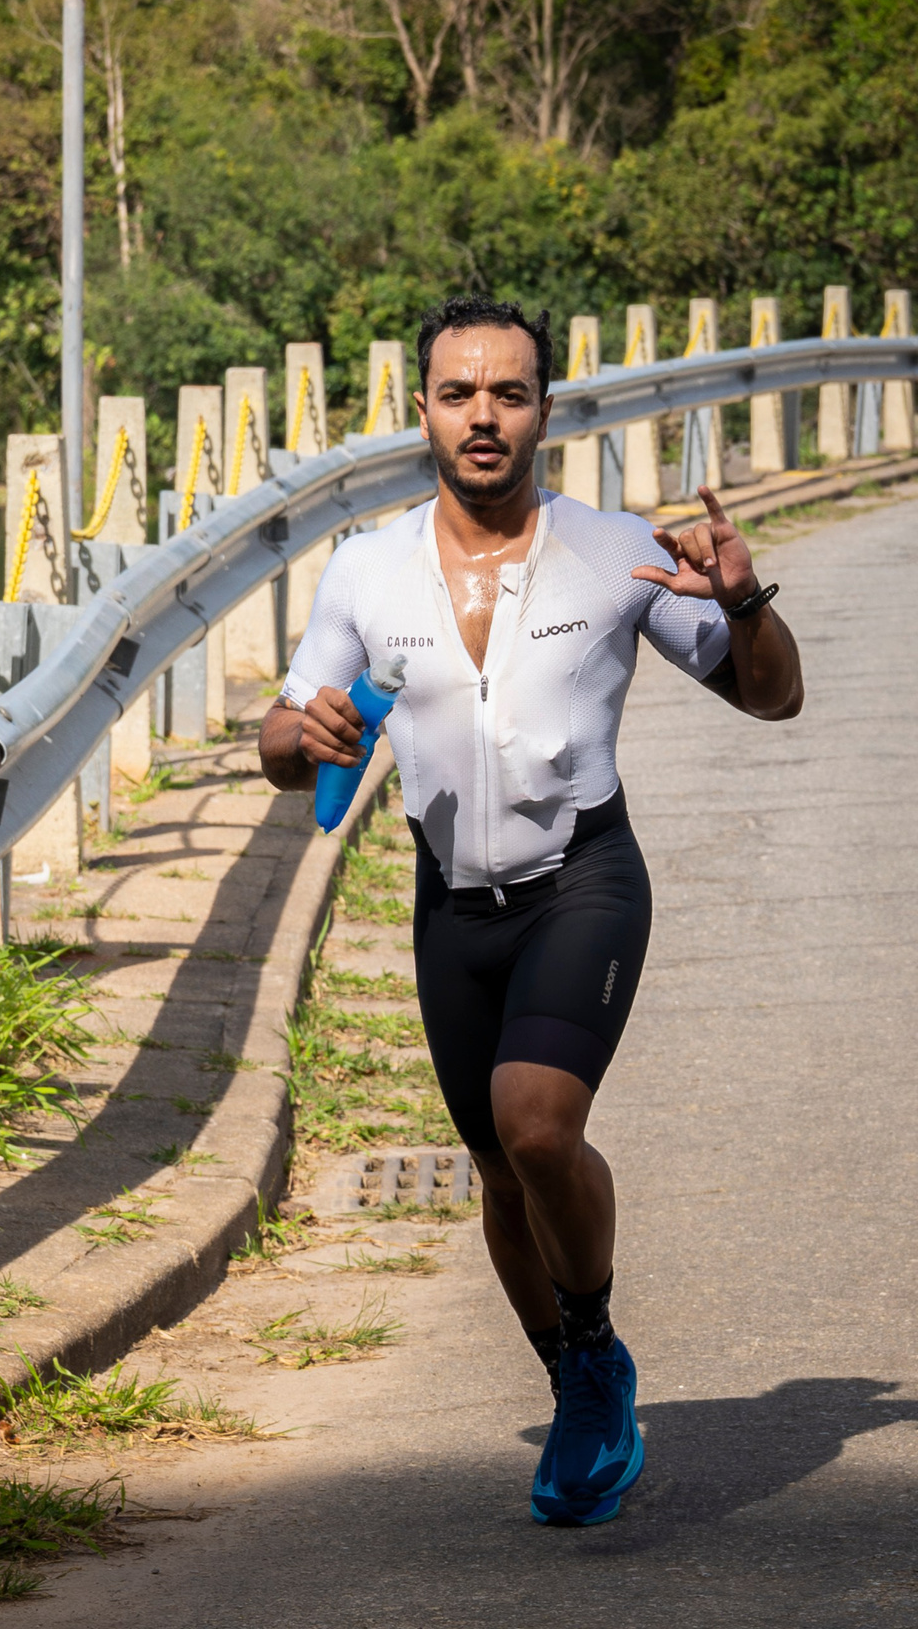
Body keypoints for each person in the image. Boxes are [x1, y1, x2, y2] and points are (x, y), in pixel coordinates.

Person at [259, 294, 803, 1528]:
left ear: (545, 410)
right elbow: (286, 746)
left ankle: (597, 1343)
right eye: (460, 393)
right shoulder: (366, 568)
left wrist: (744, 599)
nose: (484, 415)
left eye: (509, 392)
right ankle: (574, 1383)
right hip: (451, 898)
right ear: (424, 414)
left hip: (583, 875)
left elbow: (771, 699)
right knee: (501, 1173)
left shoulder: (613, 550)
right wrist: (305, 732)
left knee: (538, 1123)